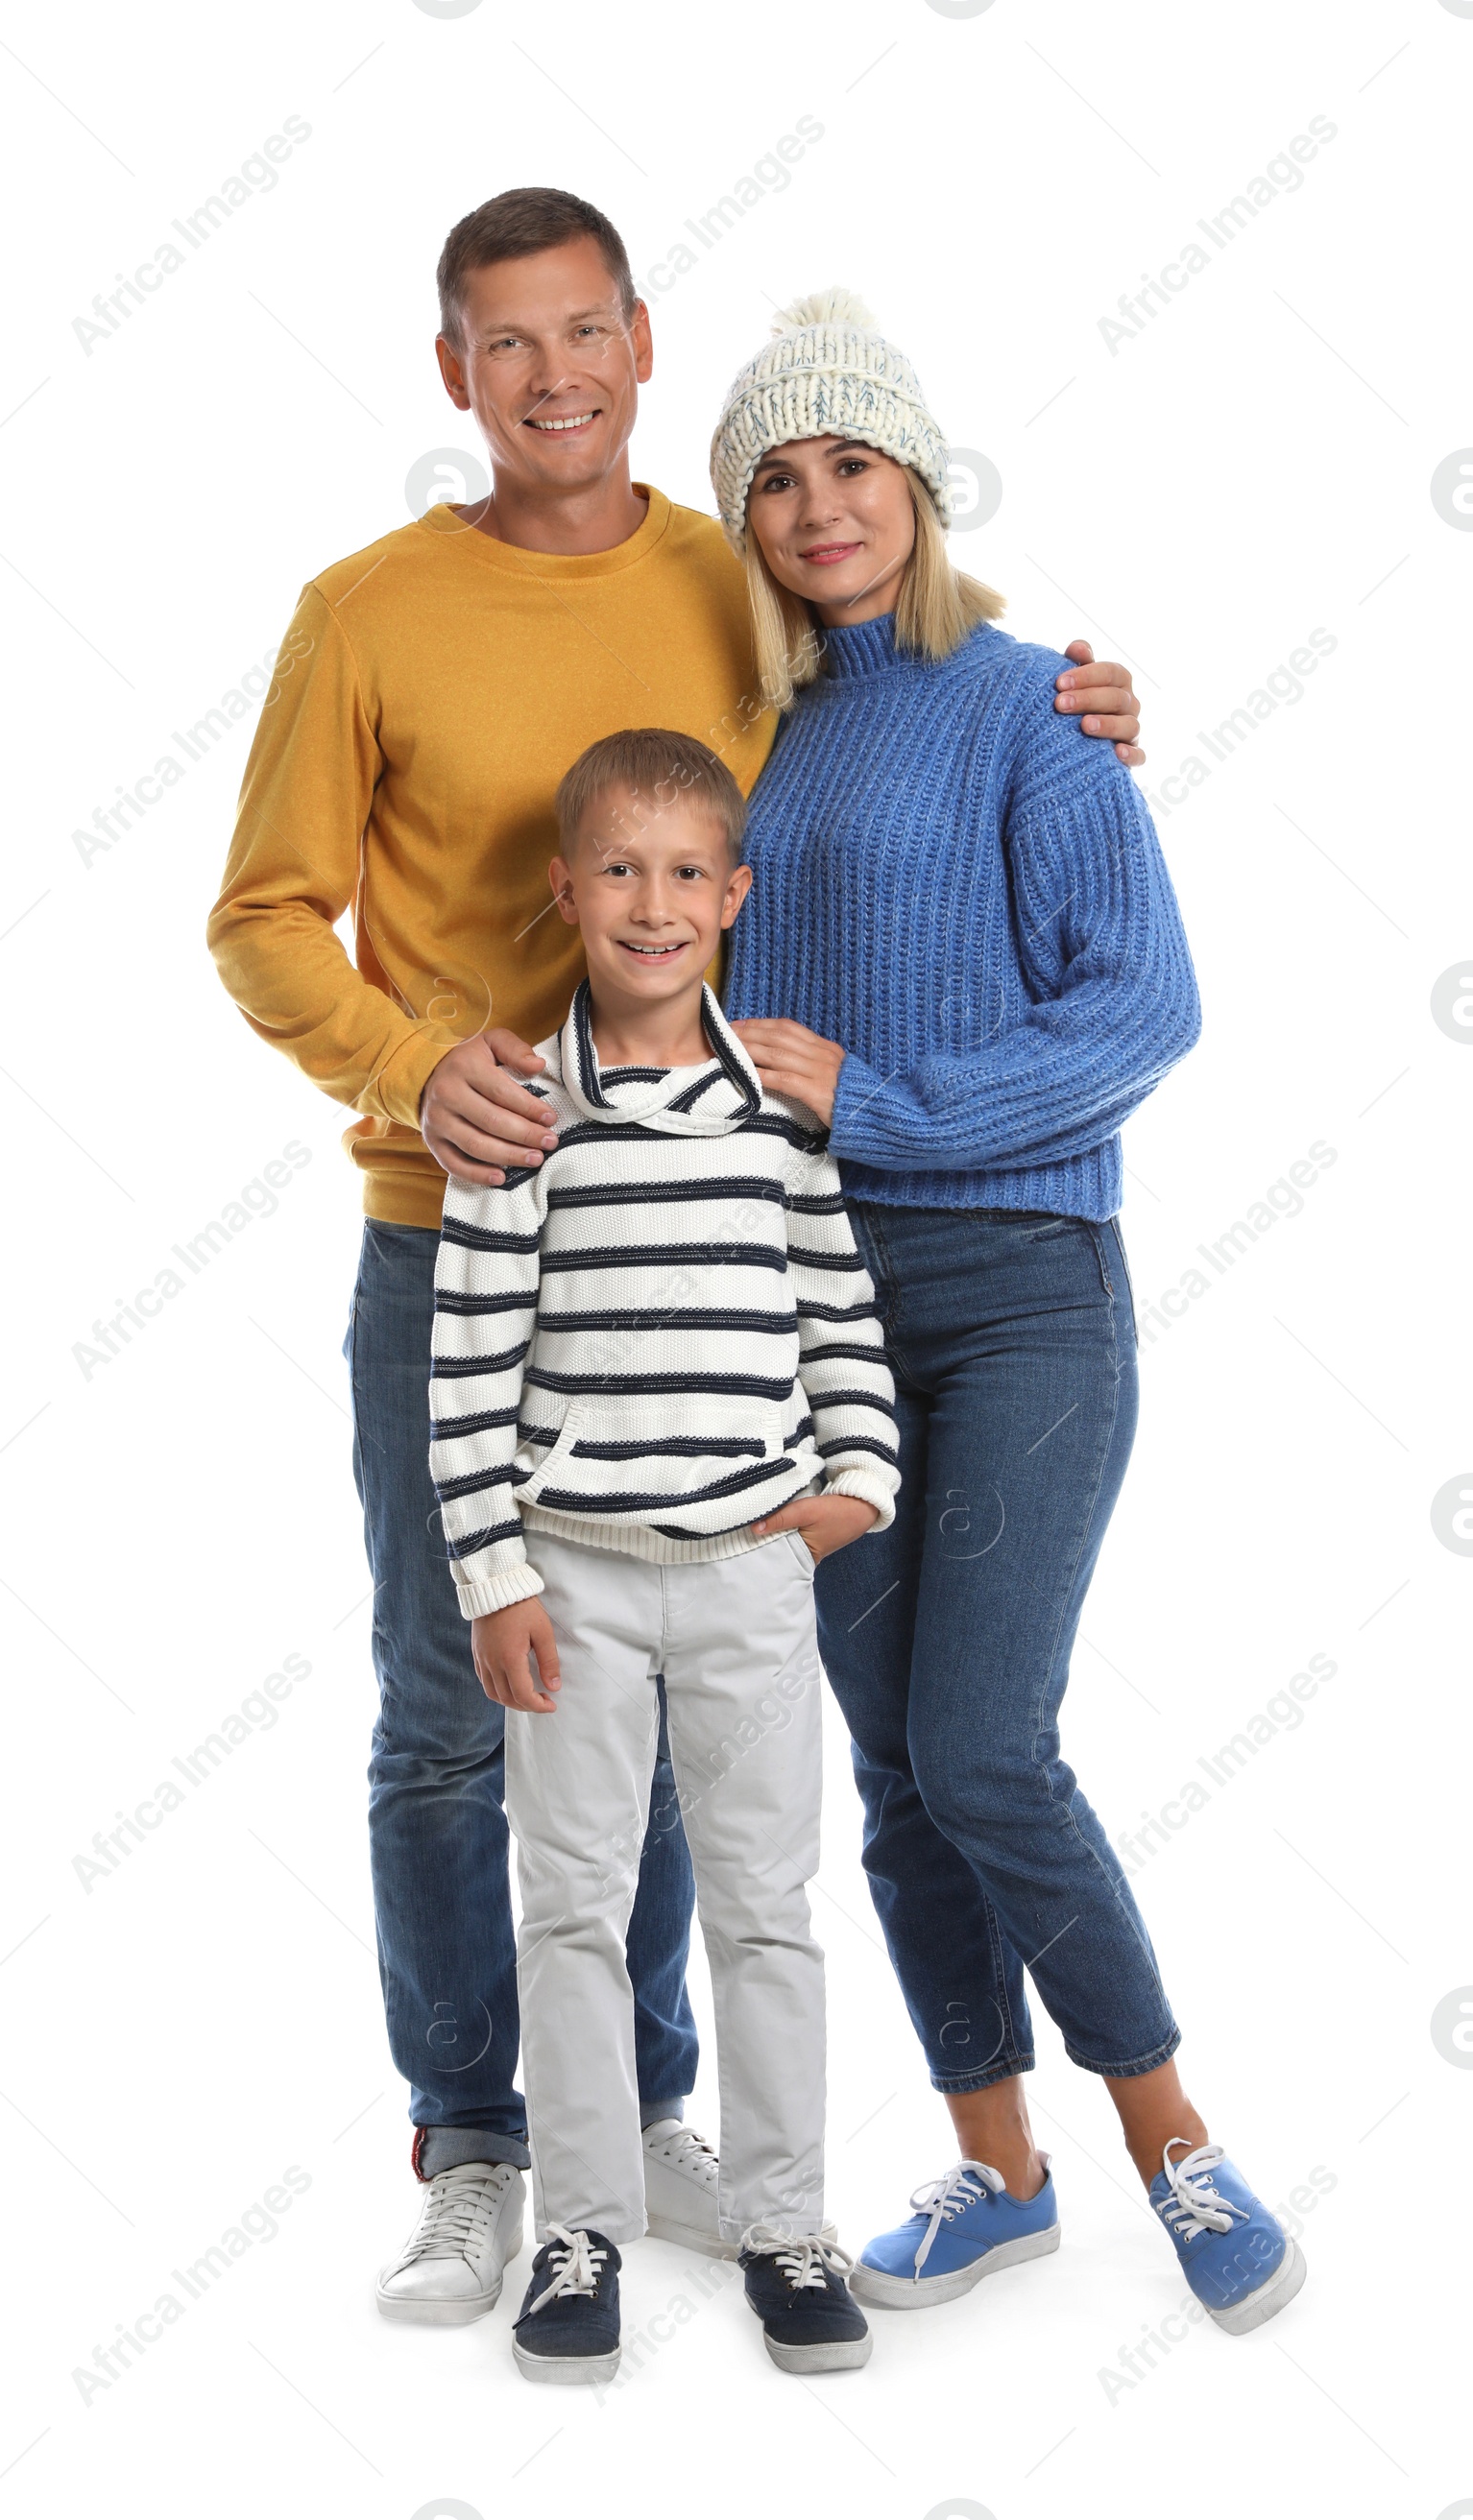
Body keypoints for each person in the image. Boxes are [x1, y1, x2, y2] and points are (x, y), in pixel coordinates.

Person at [207, 182, 1145, 2325]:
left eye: (583, 333)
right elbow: (261, 912)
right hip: (450, 1227)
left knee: (649, 1720)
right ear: (455, 375)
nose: (549, 377)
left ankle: (626, 2123)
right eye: (501, 344)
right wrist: (410, 1054)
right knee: (463, 1698)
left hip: (714, 1223)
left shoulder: (731, 583)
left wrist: (1064, 707)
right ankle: (472, 2144)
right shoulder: (361, 608)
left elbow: (899, 679)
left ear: (639, 341)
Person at [715, 292, 1305, 2338]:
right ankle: (995, 2169)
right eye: (772, 479)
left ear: (917, 480)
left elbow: (1141, 1008)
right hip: (808, 1309)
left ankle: (1175, 2144)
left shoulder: (1029, 698)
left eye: (847, 462)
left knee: (984, 1743)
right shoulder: (744, 727)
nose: (815, 505)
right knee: (890, 1767)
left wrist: (875, 1100)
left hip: (1020, 1286)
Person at [431, 725, 899, 2380]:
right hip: (574, 1573)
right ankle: (581, 2225)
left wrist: (861, 1475)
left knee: (767, 1904)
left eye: (687, 869)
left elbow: (840, 1305)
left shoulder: (780, 1103)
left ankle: (785, 2220)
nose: (653, 901)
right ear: (564, 889)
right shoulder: (517, 1108)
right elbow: (472, 1357)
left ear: (734, 893)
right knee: (572, 1901)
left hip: (755, 1570)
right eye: (618, 868)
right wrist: (493, 1570)